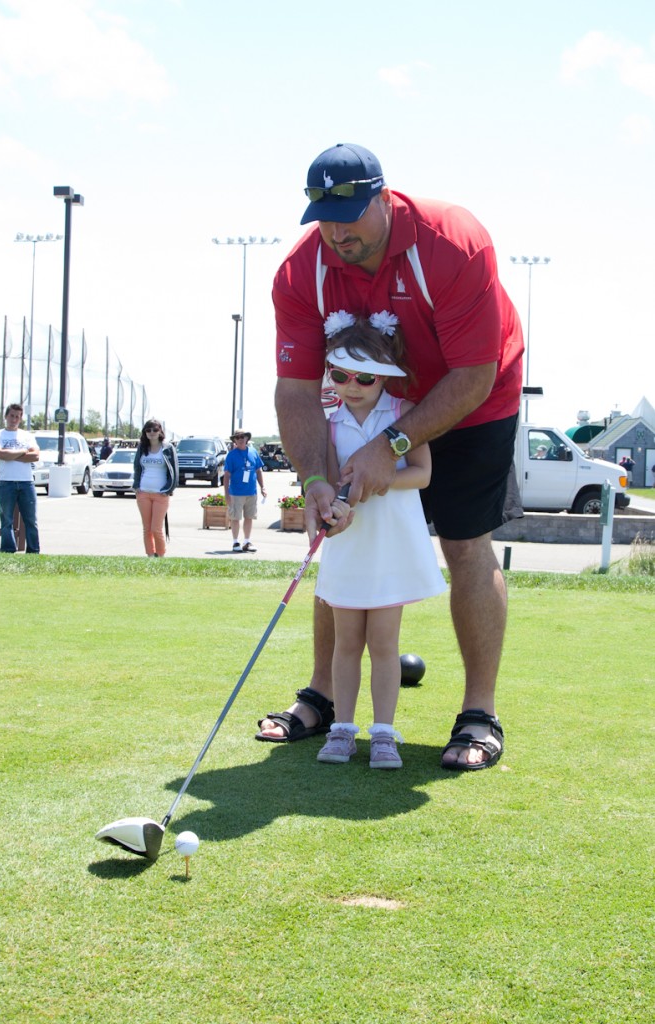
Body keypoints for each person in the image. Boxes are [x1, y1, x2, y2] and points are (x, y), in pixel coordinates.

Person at [257, 142, 523, 770]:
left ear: (383, 197)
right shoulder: (300, 273)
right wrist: (315, 477)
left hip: (473, 399)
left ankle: (478, 714)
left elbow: (472, 375)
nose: (337, 231)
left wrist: (393, 445)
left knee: (465, 544)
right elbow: (295, 391)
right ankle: (324, 697)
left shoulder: (451, 242)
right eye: (324, 216)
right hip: (362, 405)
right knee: (338, 535)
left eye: (349, 213)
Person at [313, 312, 446, 769]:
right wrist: (335, 506)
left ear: (385, 374)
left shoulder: (404, 414)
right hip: (349, 543)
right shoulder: (330, 424)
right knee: (346, 642)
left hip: (390, 544)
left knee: (385, 644)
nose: (352, 386)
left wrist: (381, 478)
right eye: (340, 375)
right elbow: (330, 480)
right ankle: (342, 730)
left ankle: (384, 735)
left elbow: (423, 474)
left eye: (365, 377)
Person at [0, 403, 40, 553]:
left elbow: (35, 456)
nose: (14, 419)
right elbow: (0, 454)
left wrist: (11, 455)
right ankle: (8, 550)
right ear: (6, 416)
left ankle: (33, 551)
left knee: (31, 520)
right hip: (6, 483)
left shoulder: (27, 436)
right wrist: (23, 452)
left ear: (20, 419)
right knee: (7, 520)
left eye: (17, 417)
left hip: (26, 483)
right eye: (11, 416)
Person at [133, 420, 179, 557]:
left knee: (156, 528)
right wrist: (136, 486)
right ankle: (150, 556)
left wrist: (168, 490)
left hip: (161, 494)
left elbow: (175, 472)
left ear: (160, 431)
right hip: (143, 493)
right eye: (148, 430)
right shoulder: (142, 448)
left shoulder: (168, 448)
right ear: (145, 433)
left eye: (154, 430)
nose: (151, 433)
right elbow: (137, 467)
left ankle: (161, 555)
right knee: (147, 529)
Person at [223, 431, 266, 552]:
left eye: (243, 437)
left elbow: (258, 470)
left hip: (251, 492)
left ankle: (247, 542)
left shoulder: (253, 452)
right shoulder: (231, 455)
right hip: (236, 493)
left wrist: (263, 487)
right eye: (237, 437)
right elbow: (226, 475)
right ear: (234, 440)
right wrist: (226, 494)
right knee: (235, 518)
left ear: (247, 438)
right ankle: (235, 542)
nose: (240, 439)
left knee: (249, 517)